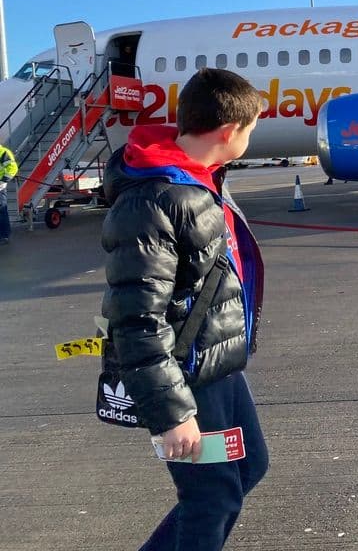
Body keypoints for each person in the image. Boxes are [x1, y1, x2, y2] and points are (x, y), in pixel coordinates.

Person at [101, 68, 268, 551]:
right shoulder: (153, 201)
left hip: (219, 360)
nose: (251, 137)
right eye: (251, 129)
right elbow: (136, 319)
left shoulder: (198, 178)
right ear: (226, 132)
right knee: (210, 498)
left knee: (249, 466)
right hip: (185, 372)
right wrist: (172, 414)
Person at [0, 142, 18, 245]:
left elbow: (12, 168)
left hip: (0, 188)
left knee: (1, 211)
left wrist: (2, 181)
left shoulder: (3, 152)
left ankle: (4, 235)